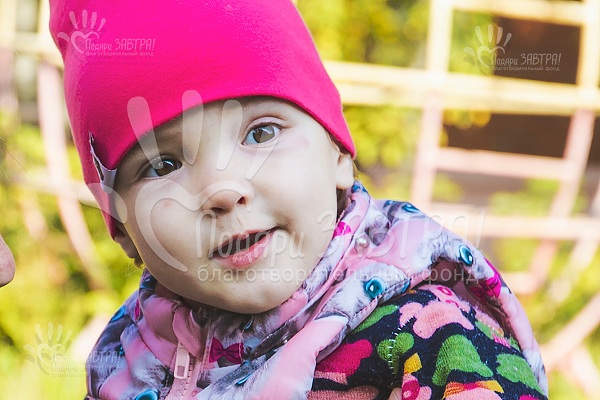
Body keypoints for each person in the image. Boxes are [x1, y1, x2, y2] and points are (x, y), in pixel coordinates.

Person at [49, 1, 548, 398]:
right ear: (123, 228)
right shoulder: (125, 361)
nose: (223, 190)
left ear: (338, 153)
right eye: (163, 165)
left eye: (261, 133)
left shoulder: (431, 336)